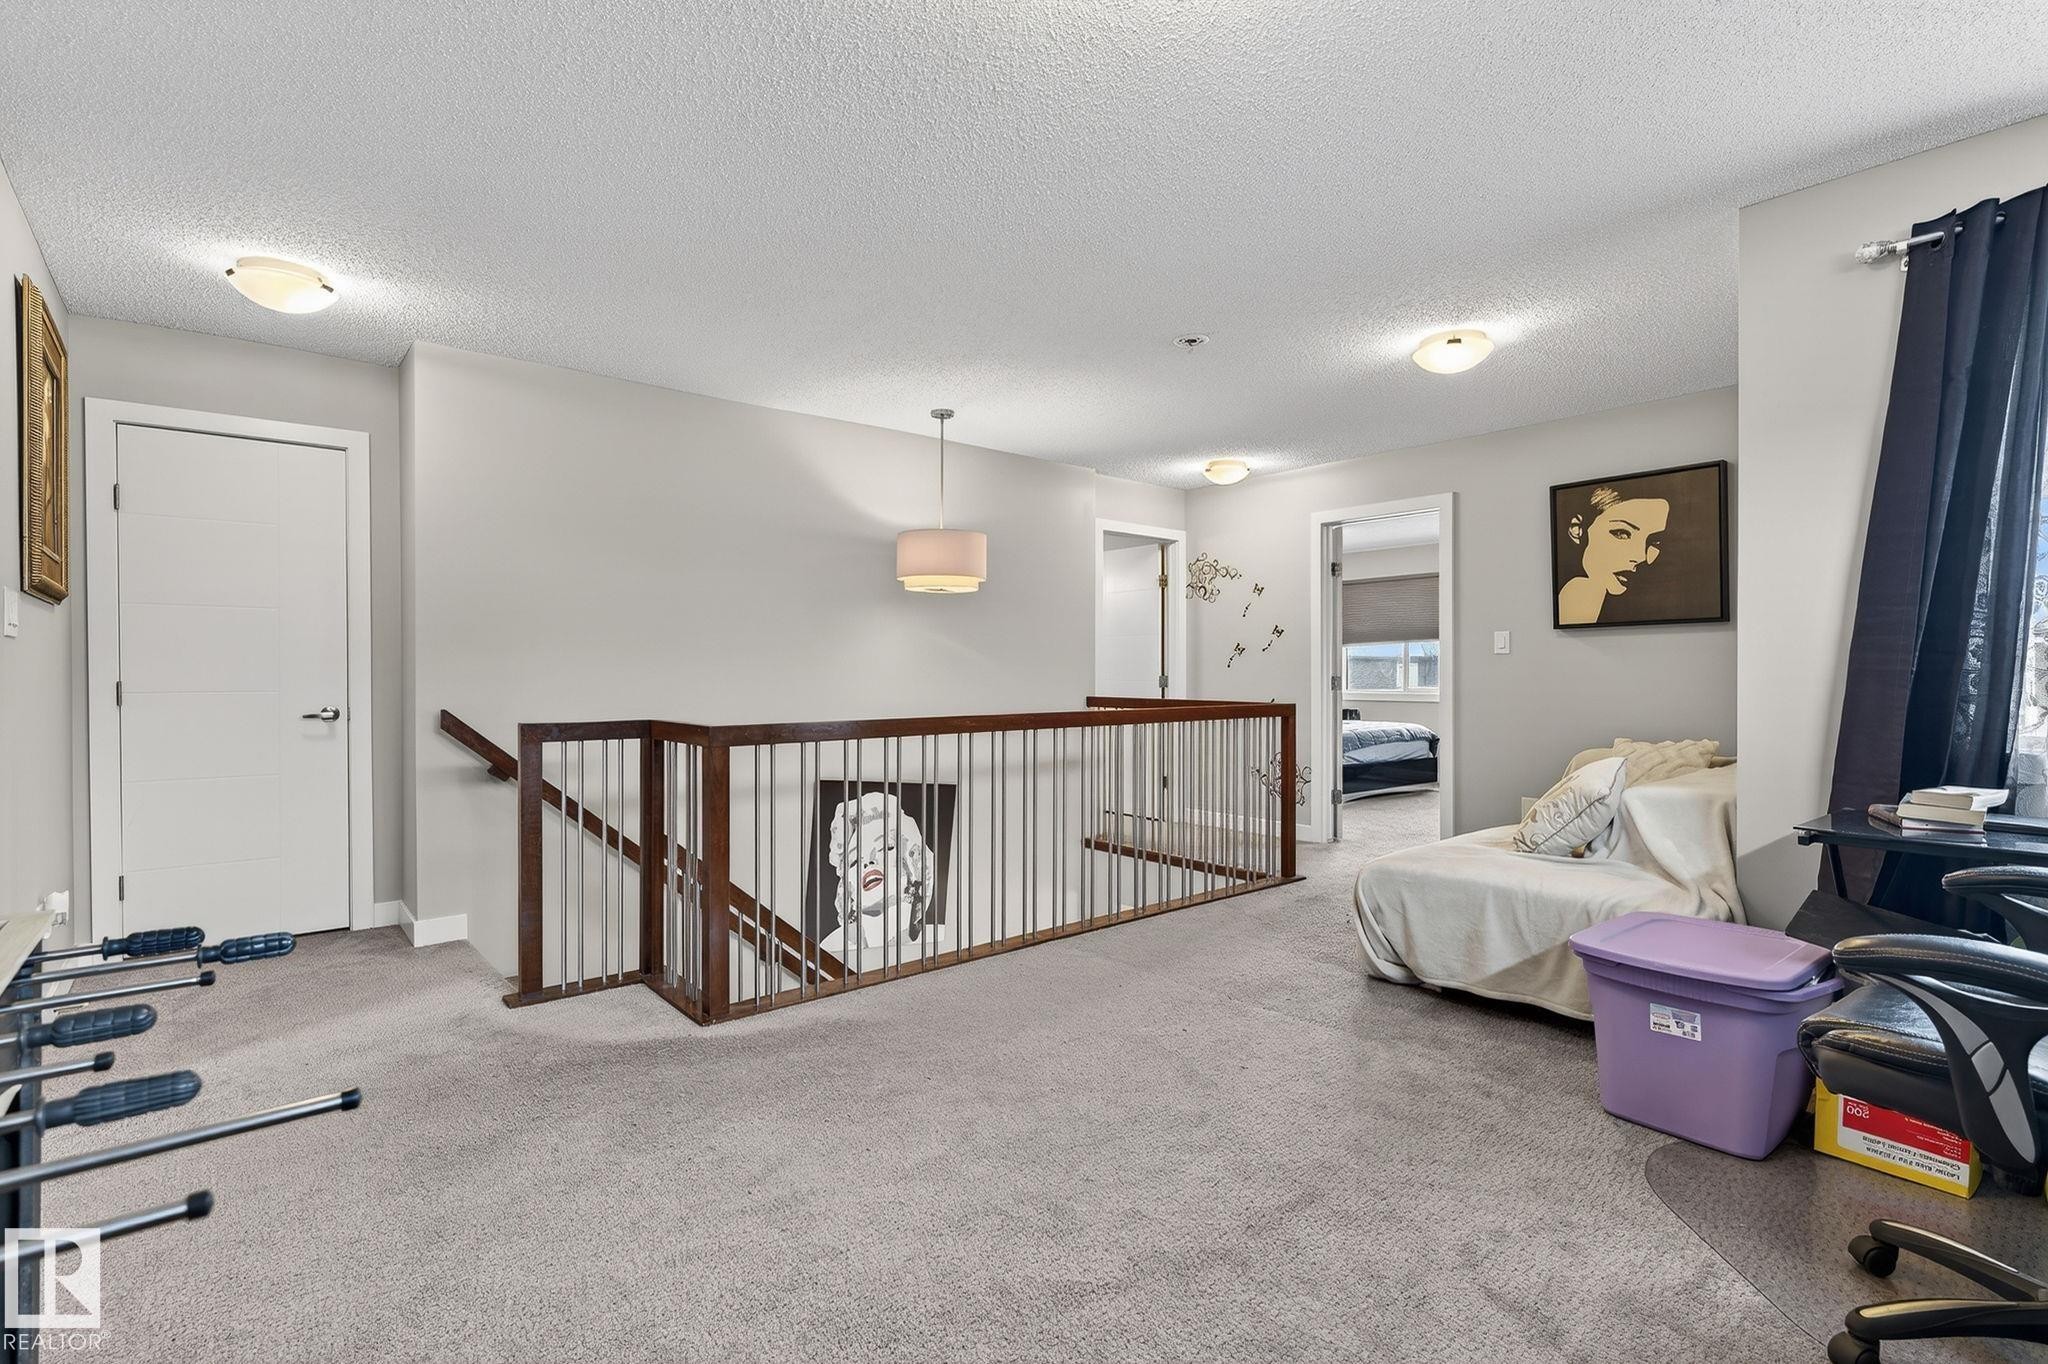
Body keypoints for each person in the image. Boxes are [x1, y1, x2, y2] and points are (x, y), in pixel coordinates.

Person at [821, 790, 935, 954]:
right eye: (854, 862)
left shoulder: (935, 939)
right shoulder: (831, 948)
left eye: (885, 848)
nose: (868, 862)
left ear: (913, 859)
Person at [1558, 486, 1669, 625]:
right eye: (1622, 533)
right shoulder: (1582, 592)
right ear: (1577, 529)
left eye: (1654, 541)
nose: (1642, 556)